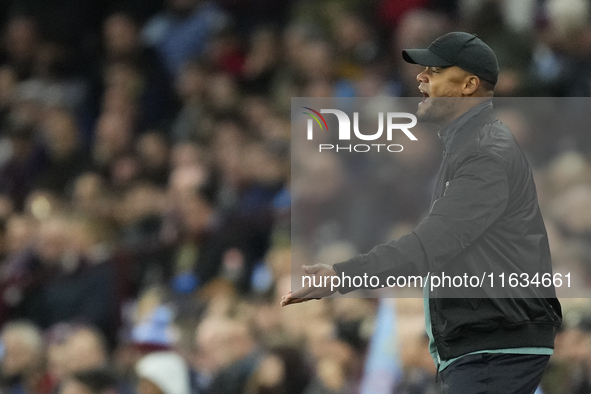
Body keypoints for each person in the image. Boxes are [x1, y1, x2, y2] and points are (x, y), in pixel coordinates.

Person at [281, 32, 563, 393]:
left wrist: (342, 275)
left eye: (435, 71)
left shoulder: (485, 154)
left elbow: (432, 244)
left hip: (494, 347)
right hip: (483, 344)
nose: (420, 77)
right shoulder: (468, 146)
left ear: (469, 85)